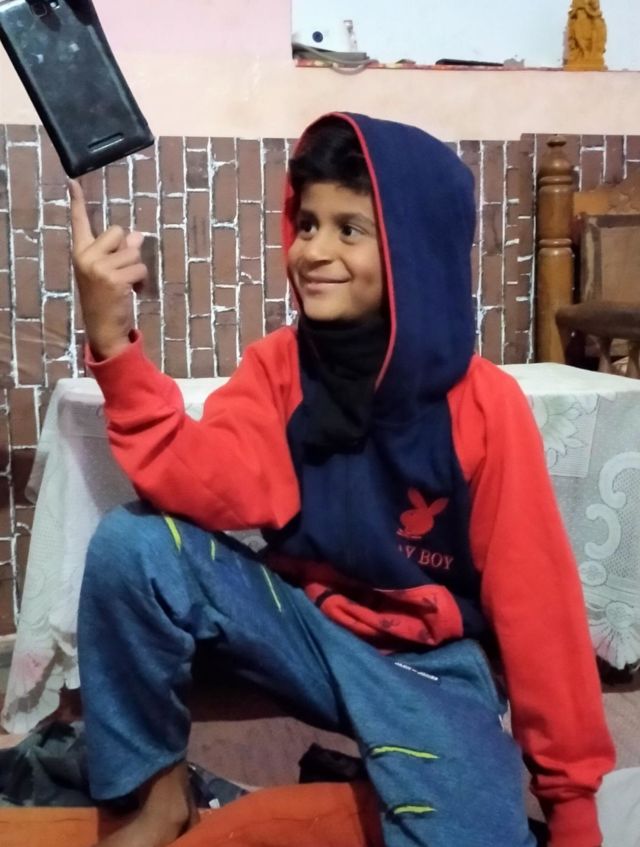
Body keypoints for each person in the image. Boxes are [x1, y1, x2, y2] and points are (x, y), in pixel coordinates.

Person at [69, 113, 614, 847]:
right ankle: (157, 797)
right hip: (304, 629)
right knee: (132, 544)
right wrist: (114, 345)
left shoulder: (485, 405)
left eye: (349, 229)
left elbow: (539, 611)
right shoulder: (278, 368)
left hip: (428, 668)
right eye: (307, 224)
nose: (313, 251)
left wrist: (572, 808)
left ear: (412, 252)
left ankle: (360, 789)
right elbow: (206, 481)